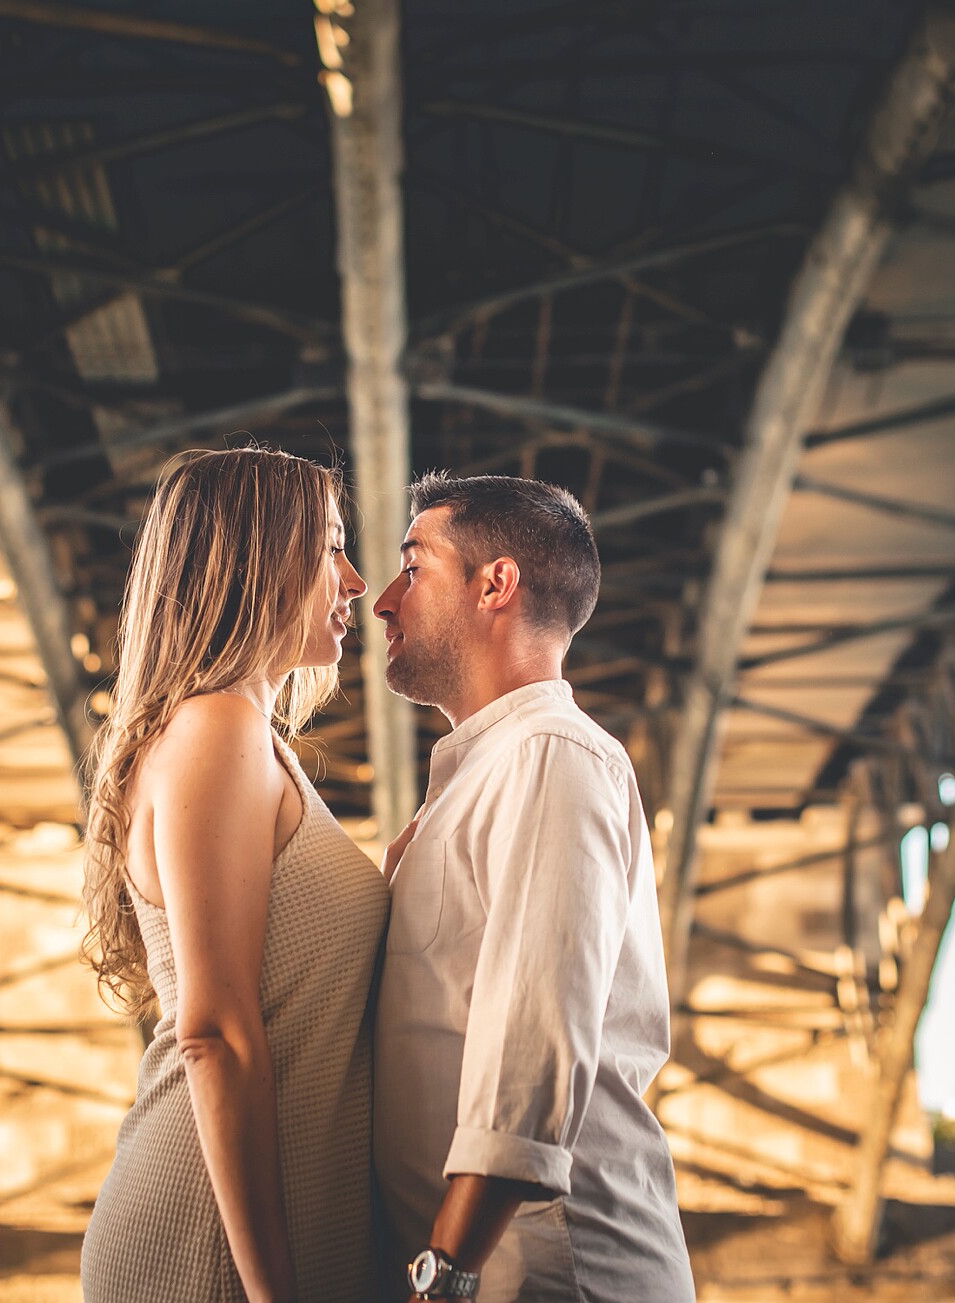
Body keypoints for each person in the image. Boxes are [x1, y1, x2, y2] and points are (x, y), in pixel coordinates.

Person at [371, 473, 696, 1302]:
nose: (381, 599)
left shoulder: (551, 751)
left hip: (547, 1274)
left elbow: (529, 1054)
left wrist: (440, 1281)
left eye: (413, 566)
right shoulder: (482, 773)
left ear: (497, 583)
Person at [79, 448, 386, 1303]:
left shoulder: (250, 739)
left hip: (258, 1232)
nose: (355, 578)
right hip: (211, 1245)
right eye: (329, 546)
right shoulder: (216, 729)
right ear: (256, 558)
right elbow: (212, 1031)